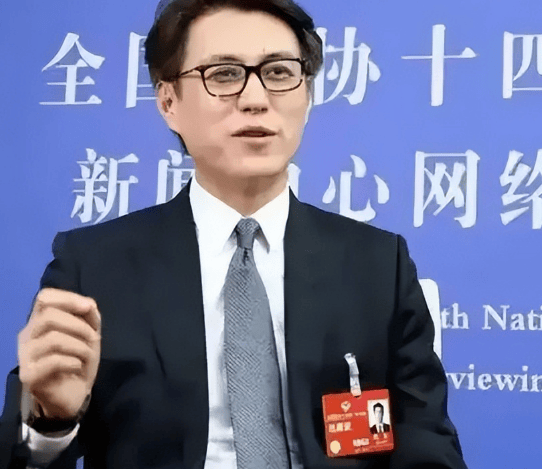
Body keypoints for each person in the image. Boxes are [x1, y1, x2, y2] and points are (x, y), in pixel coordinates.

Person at [0, 0, 468, 468]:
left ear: (307, 95)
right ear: (168, 103)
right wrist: (52, 421)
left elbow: (426, 442)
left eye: (279, 73)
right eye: (224, 75)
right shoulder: (95, 267)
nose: (255, 98)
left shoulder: (377, 265)